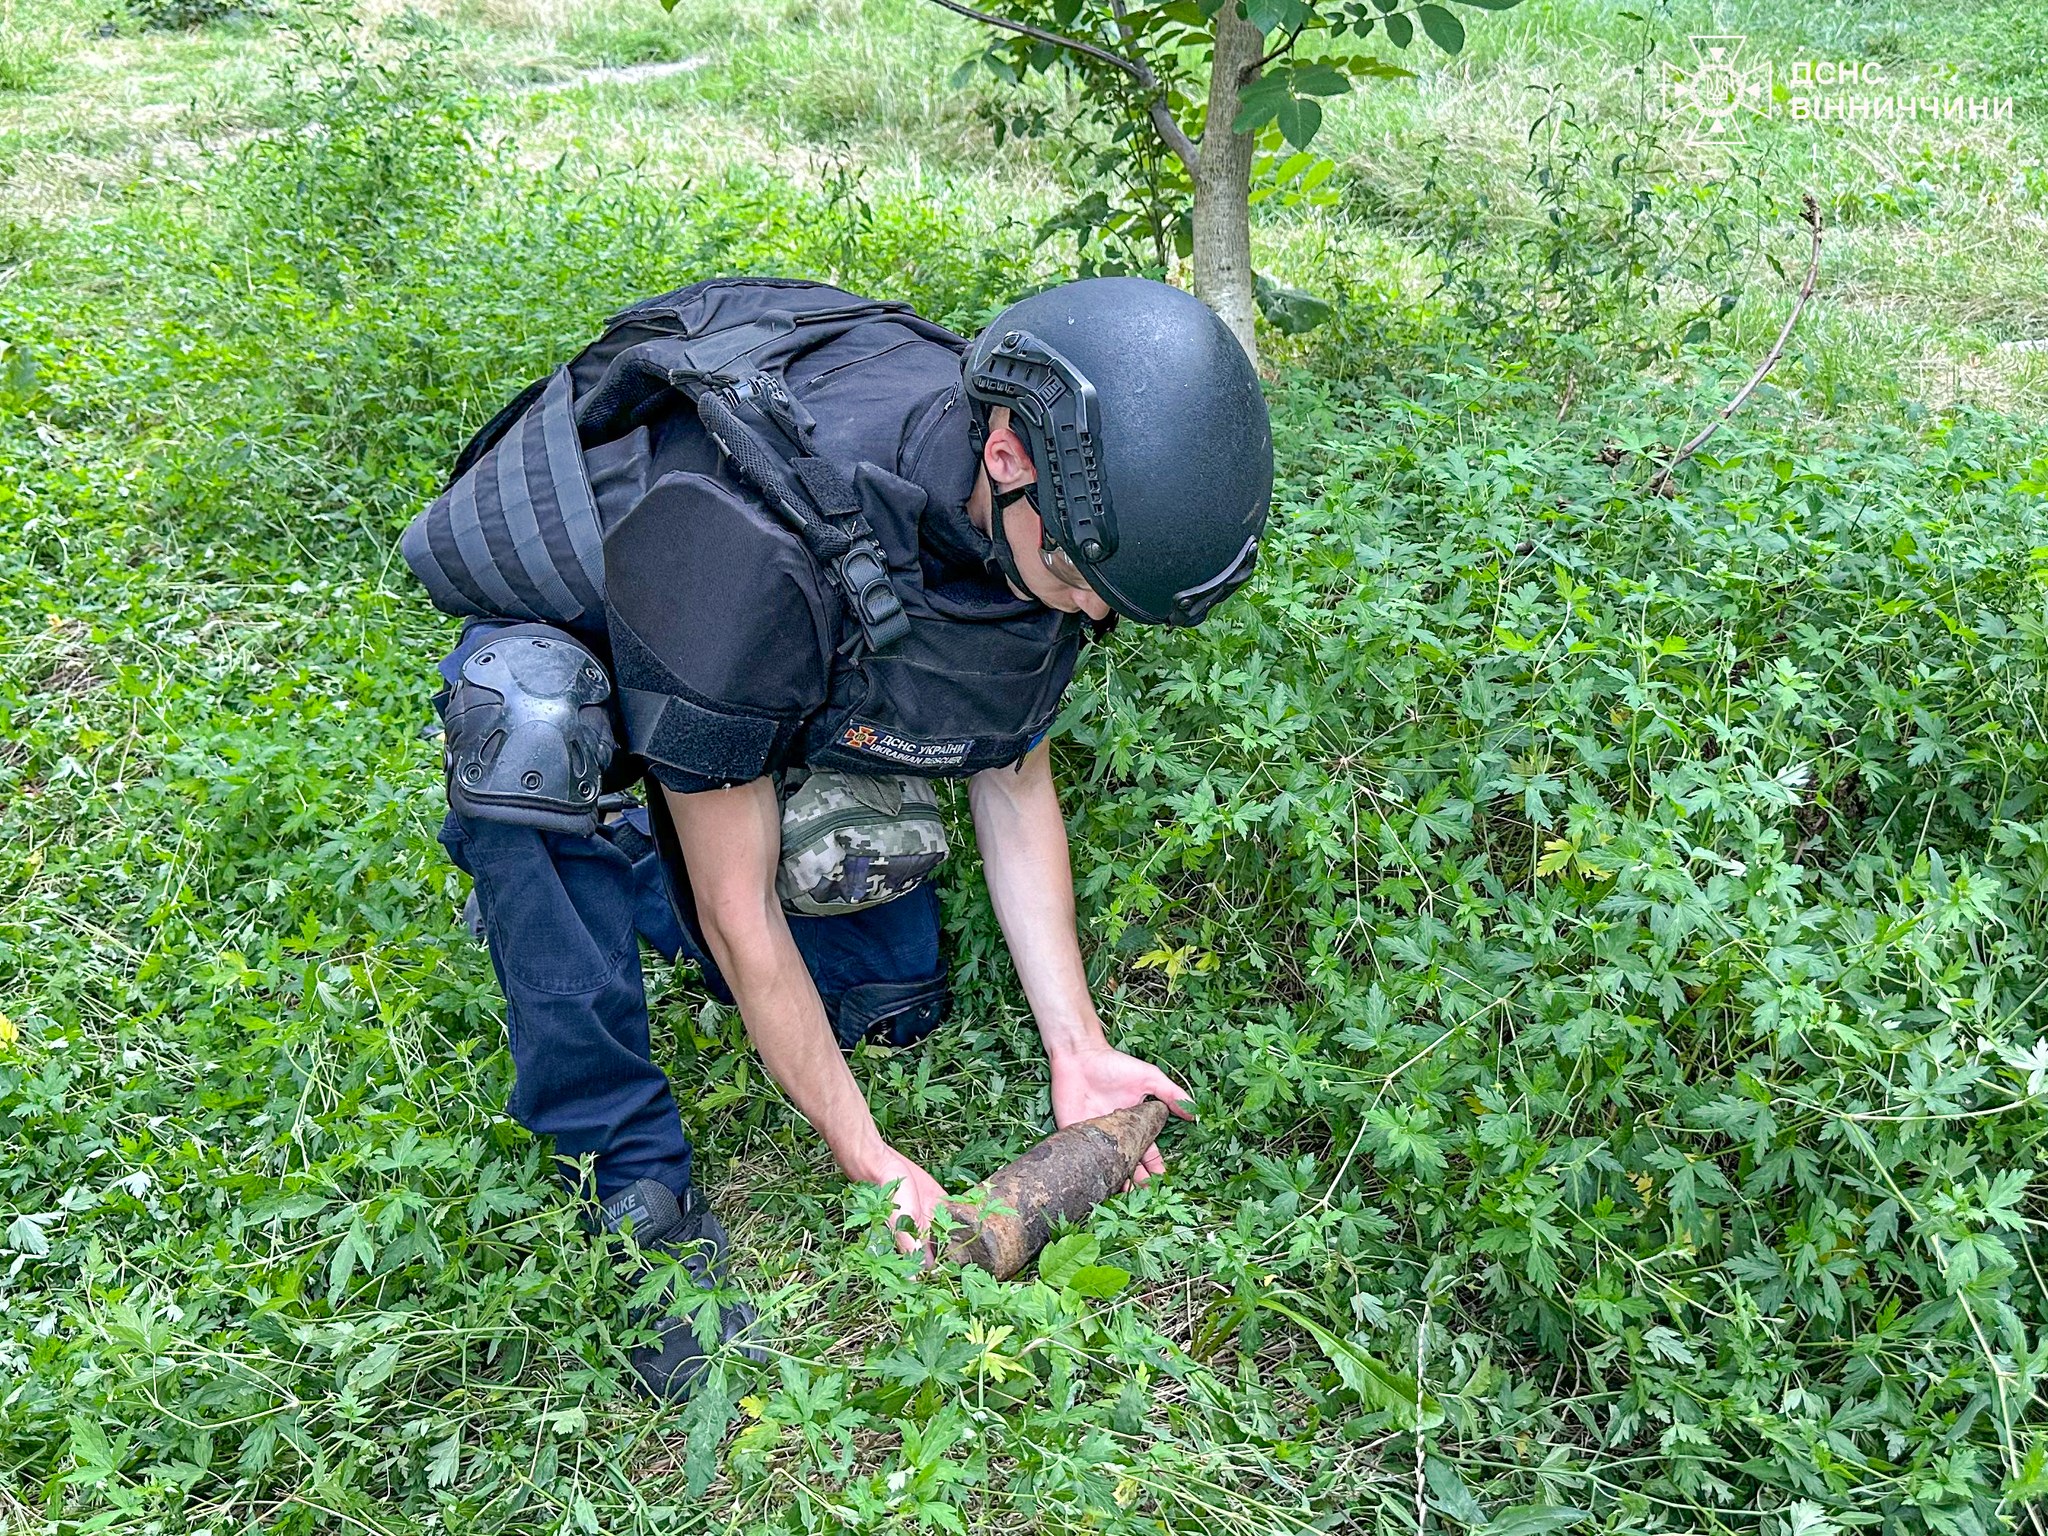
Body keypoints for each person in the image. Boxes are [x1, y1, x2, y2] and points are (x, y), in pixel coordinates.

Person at [403, 275, 1274, 1399]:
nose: (1090, 617)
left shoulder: (1055, 485)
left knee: (887, 996)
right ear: (1002, 458)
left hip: (745, 654)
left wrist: (1078, 1046)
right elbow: (739, 908)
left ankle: (615, 874)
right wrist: (868, 1159)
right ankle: (626, 1169)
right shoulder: (748, 559)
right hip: (627, 596)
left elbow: (1012, 778)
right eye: (1074, 578)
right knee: (530, 724)